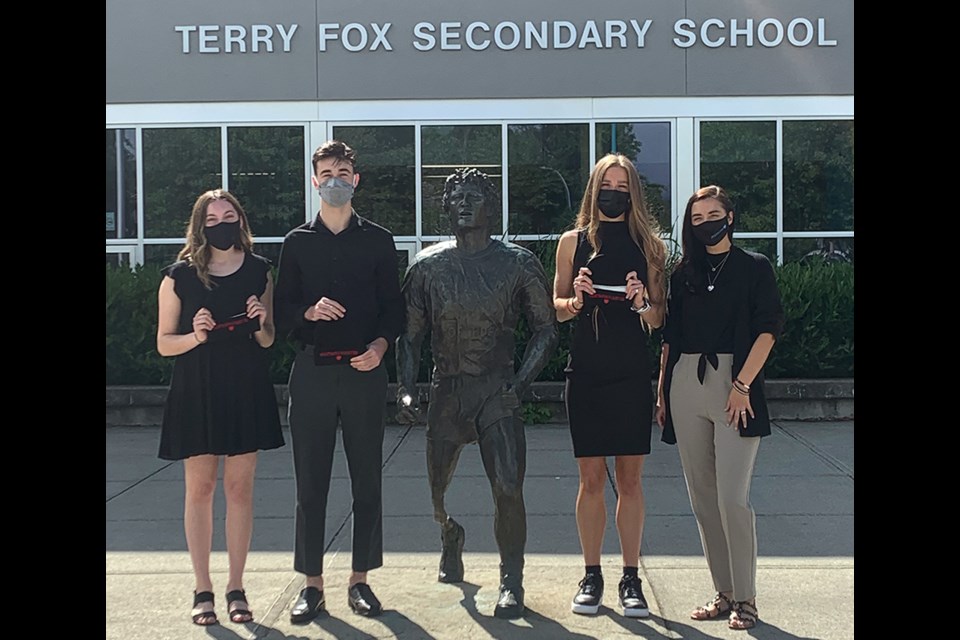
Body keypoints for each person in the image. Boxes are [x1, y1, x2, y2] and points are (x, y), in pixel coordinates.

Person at [395, 167, 558, 619]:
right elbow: (408, 337)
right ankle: (449, 531)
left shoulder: (518, 263)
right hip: (447, 391)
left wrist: (518, 385)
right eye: (456, 197)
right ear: (444, 209)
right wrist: (407, 390)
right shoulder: (427, 267)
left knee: (508, 486)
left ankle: (511, 578)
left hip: (496, 390)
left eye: (474, 195)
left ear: (492, 207)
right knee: (436, 494)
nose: (464, 203)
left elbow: (546, 330)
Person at [274, 140, 403, 622]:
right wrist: (307, 311)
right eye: (326, 172)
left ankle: (361, 580)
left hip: (364, 373)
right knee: (311, 484)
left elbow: (394, 309)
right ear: (314, 180)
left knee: (367, 479)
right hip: (311, 373)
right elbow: (282, 311)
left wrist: (380, 347)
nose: (335, 179)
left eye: (343, 171)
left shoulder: (378, 240)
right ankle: (311, 584)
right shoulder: (296, 242)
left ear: (356, 179)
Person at [655, 185, 784, 631]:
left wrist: (743, 384)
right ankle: (724, 592)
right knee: (703, 500)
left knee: (733, 498)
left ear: (730, 216)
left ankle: (746, 599)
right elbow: (669, 336)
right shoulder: (681, 273)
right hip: (685, 383)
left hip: (735, 382)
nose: (706, 221)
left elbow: (768, 330)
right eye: (697, 217)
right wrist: (661, 393)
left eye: (713, 213)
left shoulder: (753, 268)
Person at [156, 188, 284, 626]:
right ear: (199, 226)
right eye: (212, 219)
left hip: (245, 384)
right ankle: (202, 588)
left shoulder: (260, 272)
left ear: (241, 221)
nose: (221, 224)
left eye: (228, 216)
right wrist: (196, 334)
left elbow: (267, 340)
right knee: (201, 489)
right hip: (198, 387)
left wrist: (262, 322)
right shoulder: (179, 276)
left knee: (239, 490)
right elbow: (163, 343)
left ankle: (236, 586)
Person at [552, 153, 667, 618]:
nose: (614, 191)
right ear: (594, 189)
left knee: (631, 480)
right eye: (607, 183)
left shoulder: (650, 247)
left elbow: (659, 319)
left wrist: (641, 301)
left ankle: (631, 576)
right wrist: (575, 299)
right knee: (591, 478)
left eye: (622, 184)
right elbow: (555, 307)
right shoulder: (571, 242)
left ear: (633, 192)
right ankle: (592, 573)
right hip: (587, 373)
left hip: (631, 374)